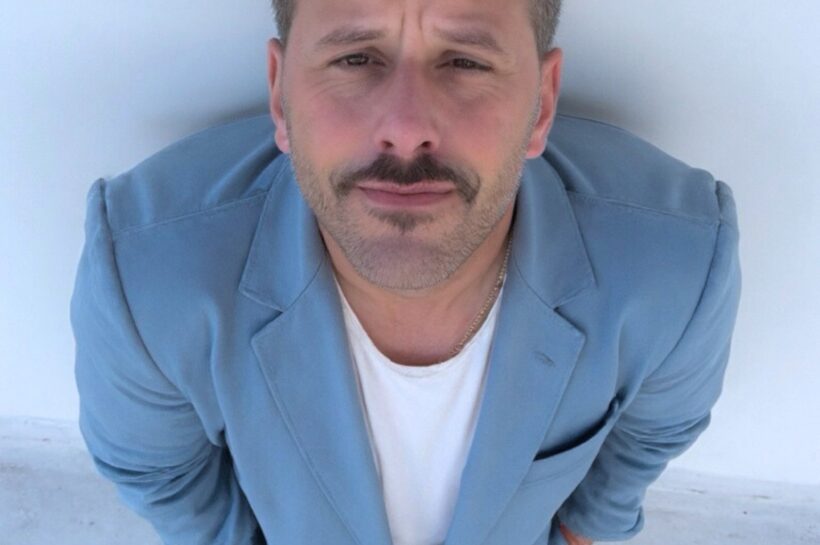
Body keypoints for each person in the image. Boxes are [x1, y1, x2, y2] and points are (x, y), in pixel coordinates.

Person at [70, 0, 741, 544]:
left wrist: (584, 529)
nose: (406, 127)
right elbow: (154, 468)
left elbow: (658, 426)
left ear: (541, 104)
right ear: (280, 94)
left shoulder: (677, 265)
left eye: (465, 60)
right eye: (356, 57)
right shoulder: (143, 276)